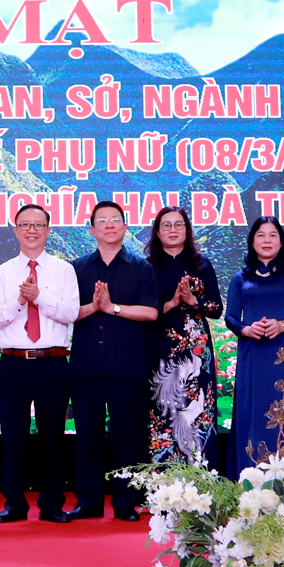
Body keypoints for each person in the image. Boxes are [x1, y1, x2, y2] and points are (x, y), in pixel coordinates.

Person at [0, 204, 79, 523]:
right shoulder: (4, 272)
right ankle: (14, 503)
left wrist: (39, 297)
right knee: (13, 435)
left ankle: (52, 504)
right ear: (15, 230)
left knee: (52, 436)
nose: (32, 230)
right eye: (25, 225)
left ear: (48, 230)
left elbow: (70, 313)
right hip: (13, 364)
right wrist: (19, 301)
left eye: (38, 225)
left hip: (52, 363)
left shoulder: (64, 270)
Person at [68, 201, 160, 521]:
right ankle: (89, 501)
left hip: (128, 367)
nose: (109, 224)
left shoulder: (140, 267)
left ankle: (125, 502)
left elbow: (151, 312)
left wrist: (113, 308)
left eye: (115, 220)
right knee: (88, 436)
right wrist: (94, 307)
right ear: (92, 229)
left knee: (128, 436)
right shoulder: (77, 268)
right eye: (102, 220)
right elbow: (66, 315)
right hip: (86, 366)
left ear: (124, 227)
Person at [225, 216, 284, 479]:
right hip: (253, 354)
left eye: (273, 235)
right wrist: (245, 329)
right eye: (261, 235)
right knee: (252, 409)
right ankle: (249, 478)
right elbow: (231, 317)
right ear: (252, 242)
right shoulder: (241, 278)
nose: (267, 240)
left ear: (281, 241)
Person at [145, 206, 224, 469]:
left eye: (178, 225)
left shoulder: (203, 264)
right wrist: (172, 302)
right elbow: (147, 311)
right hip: (161, 351)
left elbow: (216, 309)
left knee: (198, 411)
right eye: (166, 225)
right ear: (157, 231)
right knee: (164, 412)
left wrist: (193, 301)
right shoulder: (147, 268)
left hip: (197, 354)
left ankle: (201, 481)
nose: (172, 230)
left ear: (187, 230)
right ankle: (163, 487)